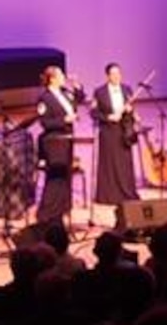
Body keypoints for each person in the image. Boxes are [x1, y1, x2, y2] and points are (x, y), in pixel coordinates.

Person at [91, 62, 141, 210]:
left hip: (124, 131)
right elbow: (94, 113)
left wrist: (132, 112)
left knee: (125, 163)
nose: (117, 76)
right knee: (109, 163)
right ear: (107, 76)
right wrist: (108, 117)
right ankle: (109, 195)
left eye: (118, 73)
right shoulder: (99, 92)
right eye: (113, 74)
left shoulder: (127, 89)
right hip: (108, 131)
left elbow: (131, 110)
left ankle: (126, 193)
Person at [34, 64, 80, 227]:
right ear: (52, 79)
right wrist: (64, 120)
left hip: (67, 139)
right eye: (61, 75)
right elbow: (45, 123)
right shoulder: (44, 98)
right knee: (55, 178)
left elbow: (78, 100)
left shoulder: (65, 93)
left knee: (66, 175)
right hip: (53, 142)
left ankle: (62, 207)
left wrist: (77, 87)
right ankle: (47, 212)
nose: (64, 78)